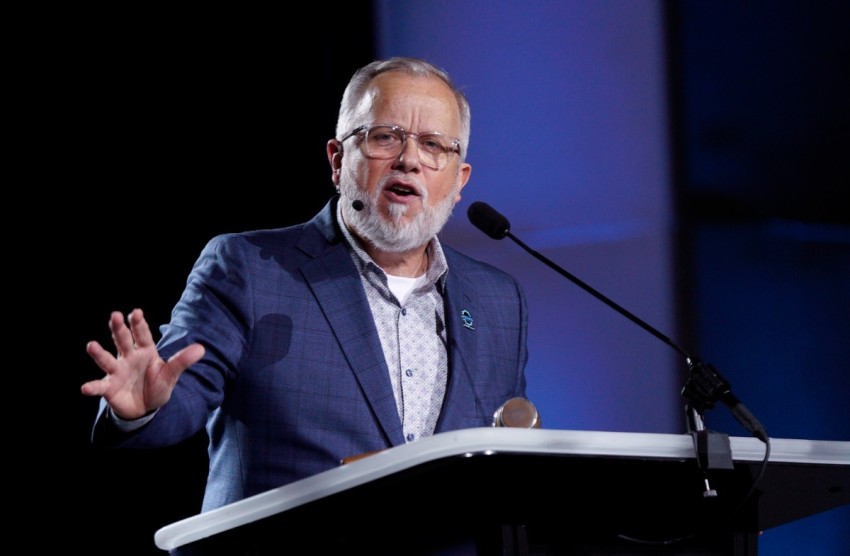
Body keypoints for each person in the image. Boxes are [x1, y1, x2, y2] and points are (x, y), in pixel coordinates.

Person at [81, 56, 530, 513]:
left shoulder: (498, 300)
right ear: (337, 160)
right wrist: (142, 407)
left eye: (434, 145)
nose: (410, 160)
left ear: (459, 181)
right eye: (384, 137)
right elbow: (182, 394)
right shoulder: (251, 269)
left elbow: (510, 454)